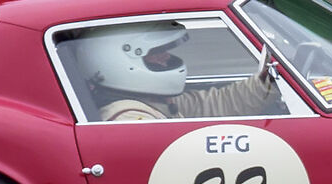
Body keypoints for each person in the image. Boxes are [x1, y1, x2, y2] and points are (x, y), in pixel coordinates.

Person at [67, 21, 286, 122]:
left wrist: (269, 81)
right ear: (116, 61)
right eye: (157, 52)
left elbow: (215, 103)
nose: (167, 58)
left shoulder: (154, 102)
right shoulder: (130, 119)